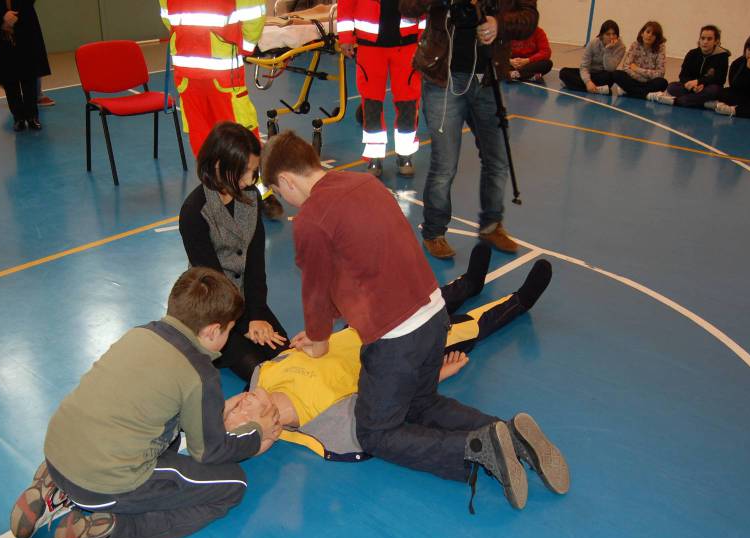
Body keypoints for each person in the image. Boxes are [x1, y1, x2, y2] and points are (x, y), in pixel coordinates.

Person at [262, 131, 568, 511]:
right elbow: (362, 266)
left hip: (395, 338)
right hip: (432, 313)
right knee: (420, 404)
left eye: (279, 193)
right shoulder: (363, 182)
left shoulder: (310, 218)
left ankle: (476, 447)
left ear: (287, 181)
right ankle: (509, 435)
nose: (286, 202)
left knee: (375, 433)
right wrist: (328, 321)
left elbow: (315, 286)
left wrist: (320, 338)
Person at [8, 268, 282, 538]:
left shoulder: (141, 333)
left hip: (58, 450)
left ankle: (54, 487)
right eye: (230, 328)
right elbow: (209, 452)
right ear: (213, 330)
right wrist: (256, 433)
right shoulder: (199, 373)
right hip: (102, 481)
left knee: (164, 436)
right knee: (232, 484)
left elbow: (154, 404)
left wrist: (216, 411)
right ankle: (116, 530)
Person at [242, 247, 559, 481]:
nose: (239, 404)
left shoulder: (263, 376)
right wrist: (435, 374)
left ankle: (468, 284)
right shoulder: (320, 420)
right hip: (401, 352)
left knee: (426, 301)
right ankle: (519, 301)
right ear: (266, 428)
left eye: (231, 407)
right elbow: (388, 398)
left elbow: (306, 348)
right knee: (465, 326)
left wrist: (312, 338)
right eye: (240, 414)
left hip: (361, 329)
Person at [399, 0, 539, 259]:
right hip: (443, 79)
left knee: (497, 159)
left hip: (488, 79)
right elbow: (406, 7)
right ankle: (434, 232)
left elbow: (529, 17)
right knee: (445, 165)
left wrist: (500, 24)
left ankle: (491, 225)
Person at [179, 122, 289, 381]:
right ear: (219, 165)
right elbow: (214, 280)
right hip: (214, 306)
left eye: (253, 172)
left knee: (286, 357)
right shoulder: (194, 212)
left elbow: (255, 263)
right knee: (261, 374)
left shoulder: (250, 197)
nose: (250, 180)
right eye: (244, 172)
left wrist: (258, 314)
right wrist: (243, 324)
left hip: (246, 301)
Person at [159, 0, 284, 219]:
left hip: (212, 71)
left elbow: (254, 14)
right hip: (193, 72)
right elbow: (167, 15)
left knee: (240, 134)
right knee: (203, 139)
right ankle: (219, 192)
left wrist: (240, 45)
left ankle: (258, 192)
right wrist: (241, 45)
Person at [338, 0, 424, 177]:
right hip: (370, 46)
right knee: (371, 101)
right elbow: (346, 3)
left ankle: (405, 153)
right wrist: (346, 36)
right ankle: (374, 156)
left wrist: (424, 37)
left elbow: (425, 6)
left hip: (407, 44)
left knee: (408, 100)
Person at [0, 0, 51, 131]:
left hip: (24, 16)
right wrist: (3, 14)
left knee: (29, 69)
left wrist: (17, 13)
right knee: (7, 71)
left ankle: (32, 116)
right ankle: (18, 117)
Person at [648, 25, 728, 108]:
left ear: (716, 41)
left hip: (707, 88)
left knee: (714, 90)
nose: (705, 42)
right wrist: (692, 86)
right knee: (672, 87)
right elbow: (683, 75)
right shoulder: (692, 53)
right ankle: (704, 104)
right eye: (703, 38)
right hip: (691, 88)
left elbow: (720, 79)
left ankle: (675, 101)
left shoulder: (722, 56)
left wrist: (700, 82)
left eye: (709, 39)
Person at [558, 20, 624, 94]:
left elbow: (610, 68)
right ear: (602, 35)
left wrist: (607, 50)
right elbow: (584, 66)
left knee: (612, 75)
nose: (611, 37)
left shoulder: (620, 47)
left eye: (614, 34)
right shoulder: (593, 43)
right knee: (564, 72)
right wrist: (588, 82)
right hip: (590, 73)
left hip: (603, 76)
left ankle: (572, 85)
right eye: (608, 34)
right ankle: (598, 89)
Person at [611, 21, 667, 99]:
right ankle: (646, 95)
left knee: (662, 82)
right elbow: (626, 67)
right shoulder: (635, 45)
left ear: (657, 38)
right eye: (648, 32)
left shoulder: (660, 48)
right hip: (633, 79)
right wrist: (640, 77)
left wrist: (637, 69)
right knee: (617, 74)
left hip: (648, 82)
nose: (649, 35)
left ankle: (629, 91)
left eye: (653, 34)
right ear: (642, 33)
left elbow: (660, 73)